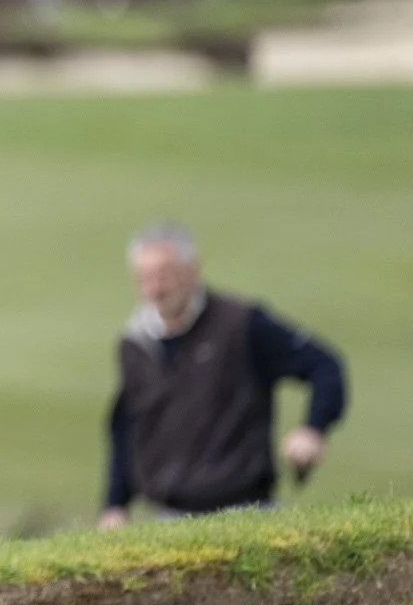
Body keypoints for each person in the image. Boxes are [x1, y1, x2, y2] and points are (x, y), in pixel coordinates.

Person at [98, 222, 346, 527]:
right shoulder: (134, 342)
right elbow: (127, 426)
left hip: (247, 512)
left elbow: (324, 366)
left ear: (192, 269)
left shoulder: (240, 324)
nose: (155, 289)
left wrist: (313, 428)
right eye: (144, 279)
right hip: (169, 517)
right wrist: (115, 504)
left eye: (164, 276)